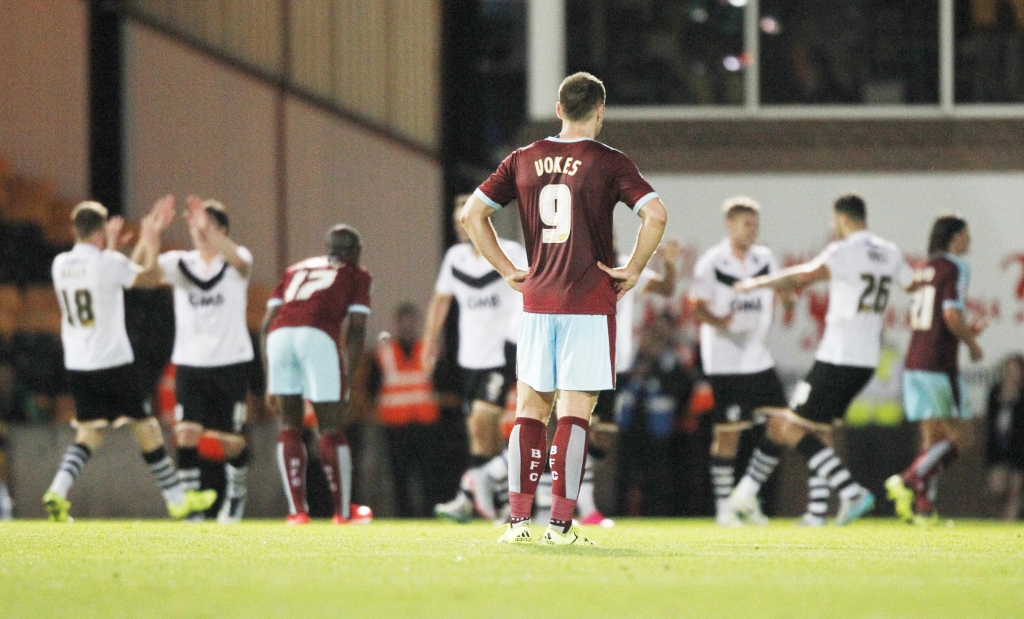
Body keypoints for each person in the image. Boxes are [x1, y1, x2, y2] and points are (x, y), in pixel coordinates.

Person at [461, 71, 668, 544]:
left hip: (537, 302)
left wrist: (506, 268)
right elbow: (655, 214)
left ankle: (516, 523)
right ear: (600, 110)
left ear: (558, 110)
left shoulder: (523, 159)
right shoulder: (610, 161)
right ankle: (559, 524)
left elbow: (473, 214)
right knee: (576, 411)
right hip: (589, 302)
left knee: (530, 410)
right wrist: (633, 269)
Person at [728, 194, 915, 526]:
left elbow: (804, 276)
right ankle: (808, 511)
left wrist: (757, 283)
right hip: (865, 360)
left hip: (838, 356)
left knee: (786, 427)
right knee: (818, 429)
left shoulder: (845, 251)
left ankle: (851, 492)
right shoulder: (889, 251)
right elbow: (913, 284)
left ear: (841, 219)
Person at [43, 198, 217, 522]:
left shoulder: (60, 264)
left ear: (75, 230)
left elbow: (107, 277)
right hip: (112, 362)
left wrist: (110, 246)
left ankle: (57, 489)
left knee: (89, 432)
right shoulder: (108, 264)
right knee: (146, 427)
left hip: (78, 364)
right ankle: (177, 499)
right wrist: (151, 238)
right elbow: (147, 277)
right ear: (99, 231)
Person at [138, 196, 255, 523]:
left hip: (230, 361)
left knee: (230, 441)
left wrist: (212, 234)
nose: (200, 231)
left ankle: (236, 493)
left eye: (209, 225)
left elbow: (241, 264)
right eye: (197, 224)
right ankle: (193, 507)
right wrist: (151, 238)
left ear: (223, 230)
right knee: (186, 432)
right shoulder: (180, 263)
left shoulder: (236, 259)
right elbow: (145, 277)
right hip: (190, 362)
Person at [689, 196, 793, 526]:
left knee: (781, 424)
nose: (752, 230)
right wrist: (719, 321)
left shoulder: (765, 258)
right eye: (746, 224)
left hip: (757, 354)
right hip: (725, 357)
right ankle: (724, 507)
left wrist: (788, 299)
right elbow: (696, 303)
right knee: (729, 433)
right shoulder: (713, 261)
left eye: (755, 224)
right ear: (730, 225)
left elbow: (780, 289)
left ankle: (745, 493)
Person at [425, 195, 527, 523]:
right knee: (480, 432)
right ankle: (493, 502)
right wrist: (431, 341)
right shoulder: (456, 258)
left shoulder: (510, 253)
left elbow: (532, 292)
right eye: (457, 221)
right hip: (470, 355)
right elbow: (441, 300)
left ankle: (472, 490)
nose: (460, 226)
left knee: (484, 417)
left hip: (503, 350)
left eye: (465, 219)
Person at [261, 224, 372, 525]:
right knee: (331, 426)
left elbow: (266, 323)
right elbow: (357, 328)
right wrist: (346, 376)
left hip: (279, 337)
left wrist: (269, 375)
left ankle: (297, 512)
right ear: (352, 251)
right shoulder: (356, 273)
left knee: (289, 424)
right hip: (317, 336)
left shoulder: (294, 269)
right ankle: (344, 512)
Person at [886, 214, 986, 524]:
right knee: (962, 436)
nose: (970, 241)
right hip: (938, 363)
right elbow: (950, 316)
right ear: (955, 237)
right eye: (967, 234)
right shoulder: (955, 267)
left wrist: (967, 332)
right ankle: (908, 479)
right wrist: (972, 344)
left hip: (915, 360)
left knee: (933, 441)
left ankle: (925, 511)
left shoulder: (925, 268)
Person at [369, 303, 444, 517]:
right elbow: (372, 388)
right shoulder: (383, 353)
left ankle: (429, 515)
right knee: (399, 475)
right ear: (397, 325)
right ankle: (404, 515)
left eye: (412, 322)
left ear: (418, 324)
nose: (408, 327)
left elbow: (442, 384)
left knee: (428, 476)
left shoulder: (430, 351)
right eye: (404, 323)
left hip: (425, 422)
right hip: (395, 425)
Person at [984, 354, 1024, 521]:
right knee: (997, 487)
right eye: (1008, 370)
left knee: (1016, 489)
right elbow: (991, 424)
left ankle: (1008, 525)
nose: (1011, 374)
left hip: (1020, 449)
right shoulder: (995, 392)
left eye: (1015, 371)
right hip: (999, 448)